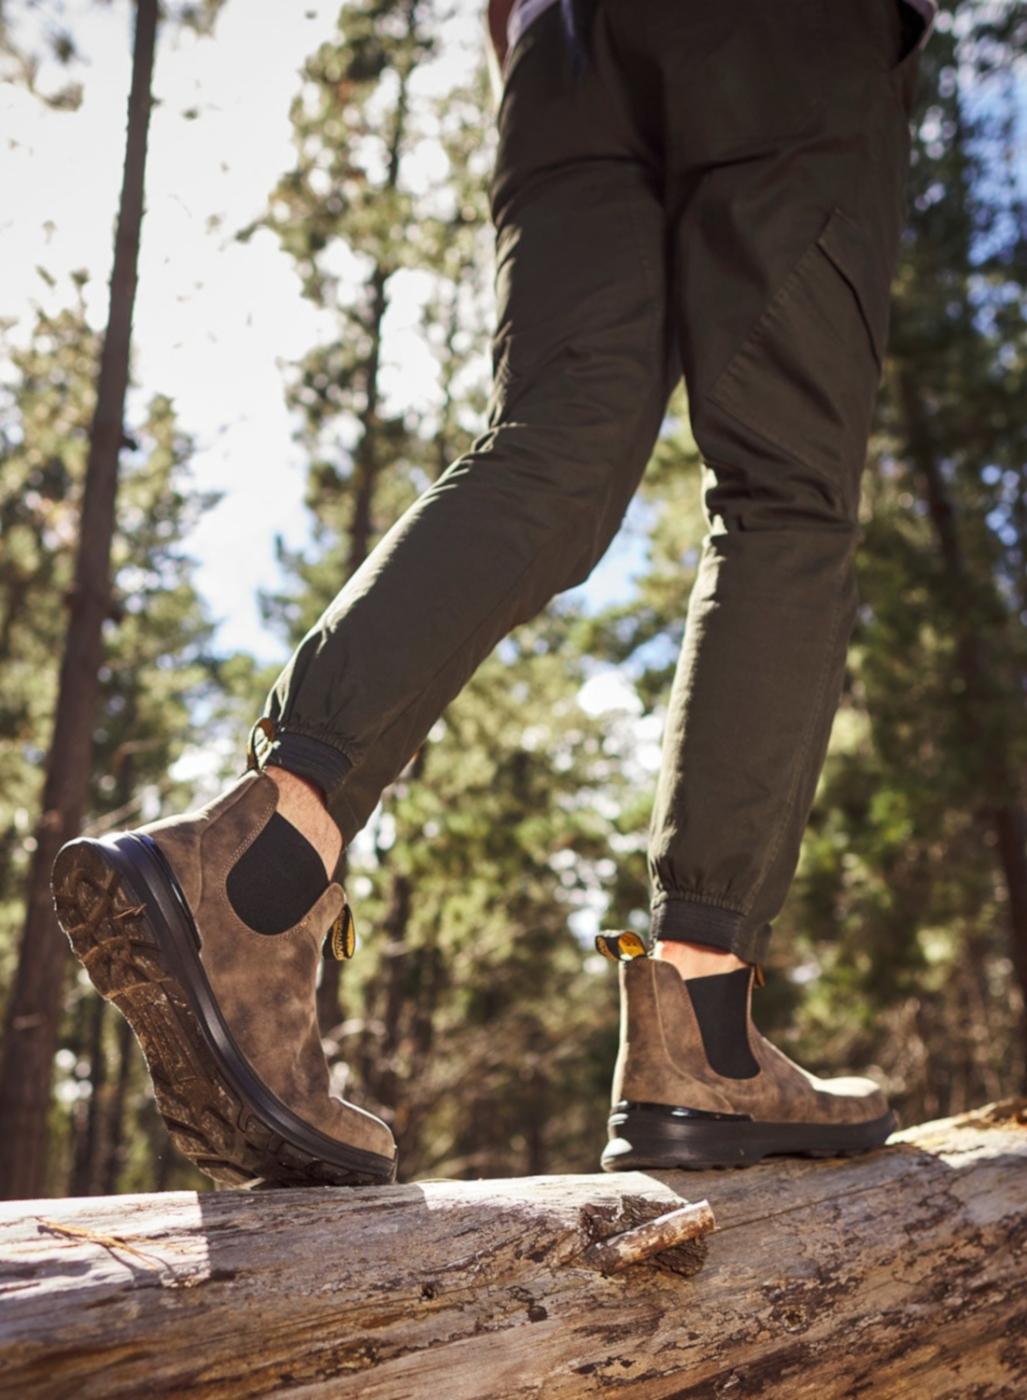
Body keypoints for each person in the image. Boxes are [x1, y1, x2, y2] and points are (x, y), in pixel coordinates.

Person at [52, 0, 937, 1187]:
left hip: (558, 43)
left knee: (552, 440)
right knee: (784, 498)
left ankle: (262, 864)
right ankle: (701, 1028)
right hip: (790, 38)